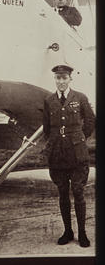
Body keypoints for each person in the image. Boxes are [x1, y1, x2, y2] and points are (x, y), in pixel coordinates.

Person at [42, 65, 95, 247]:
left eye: (64, 78)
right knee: (62, 193)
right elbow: (47, 128)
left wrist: (80, 138)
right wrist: (55, 142)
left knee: (78, 192)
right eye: (58, 78)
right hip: (57, 153)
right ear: (54, 79)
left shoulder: (80, 98)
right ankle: (67, 231)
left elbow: (90, 121)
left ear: (70, 79)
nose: (61, 81)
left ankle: (82, 233)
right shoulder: (49, 100)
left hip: (77, 153)